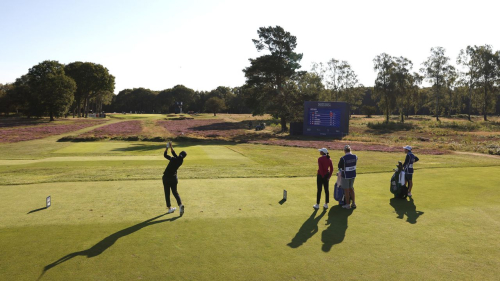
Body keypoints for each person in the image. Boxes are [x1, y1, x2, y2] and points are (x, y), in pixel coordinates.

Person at [163, 141, 187, 215]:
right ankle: (180, 205)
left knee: (167, 193)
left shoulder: (173, 159)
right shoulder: (180, 161)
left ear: (179, 154)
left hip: (166, 178)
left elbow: (165, 155)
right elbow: (175, 154)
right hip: (174, 179)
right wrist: (171, 147)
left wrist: (167, 147)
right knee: (175, 192)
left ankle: (169, 208)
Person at [338, 145, 358, 209]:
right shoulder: (355, 156)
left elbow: (339, 167)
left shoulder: (343, 158)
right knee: (351, 188)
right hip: (353, 175)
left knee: (346, 190)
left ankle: (347, 204)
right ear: (350, 150)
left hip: (346, 176)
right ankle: (353, 203)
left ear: (344, 150)